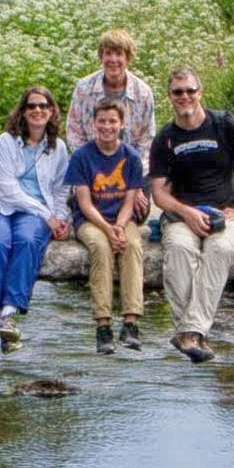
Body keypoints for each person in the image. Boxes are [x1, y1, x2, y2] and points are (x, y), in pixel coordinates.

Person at [147, 68, 234, 363]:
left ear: (200, 92)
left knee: (220, 248)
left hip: (224, 214)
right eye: (178, 92)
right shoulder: (164, 138)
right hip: (181, 215)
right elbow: (159, 193)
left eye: (190, 90)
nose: (185, 96)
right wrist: (186, 212)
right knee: (178, 249)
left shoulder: (224, 125)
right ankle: (192, 333)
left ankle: (188, 333)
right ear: (170, 97)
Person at [0, 86, 71, 348]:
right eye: (31, 106)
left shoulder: (58, 148)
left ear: (51, 112)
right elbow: (7, 190)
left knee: (27, 241)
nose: (37, 110)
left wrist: (60, 218)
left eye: (43, 106)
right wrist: (46, 215)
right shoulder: (6, 141)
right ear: (23, 112)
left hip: (38, 211)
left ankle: (8, 312)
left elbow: (61, 190)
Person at [68, 102, 146, 355]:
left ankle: (131, 322)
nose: (107, 127)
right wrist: (107, 229)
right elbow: (84, 203)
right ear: (94, 124)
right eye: (101, 121)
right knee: (100, 248)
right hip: (90, 220)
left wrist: (120, 227)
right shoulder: (82, 156)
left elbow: (130, 200)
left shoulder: (131, 157)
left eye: (112, 121)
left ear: (121, 124)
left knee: (133, 246)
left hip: (122, 218)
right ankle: (103, 325)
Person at [67, 29, 156, 222]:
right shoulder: (83, 88)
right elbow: (74, 134)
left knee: (138, 213)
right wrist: (87, 172)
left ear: (128, 58)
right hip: (92, 168)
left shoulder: (143, 93)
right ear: (101, 56)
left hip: (130, 168)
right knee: (88, 211)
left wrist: (135, 184)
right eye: (108, 53)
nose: (113, 59)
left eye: (119, 54)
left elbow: (147, 142)